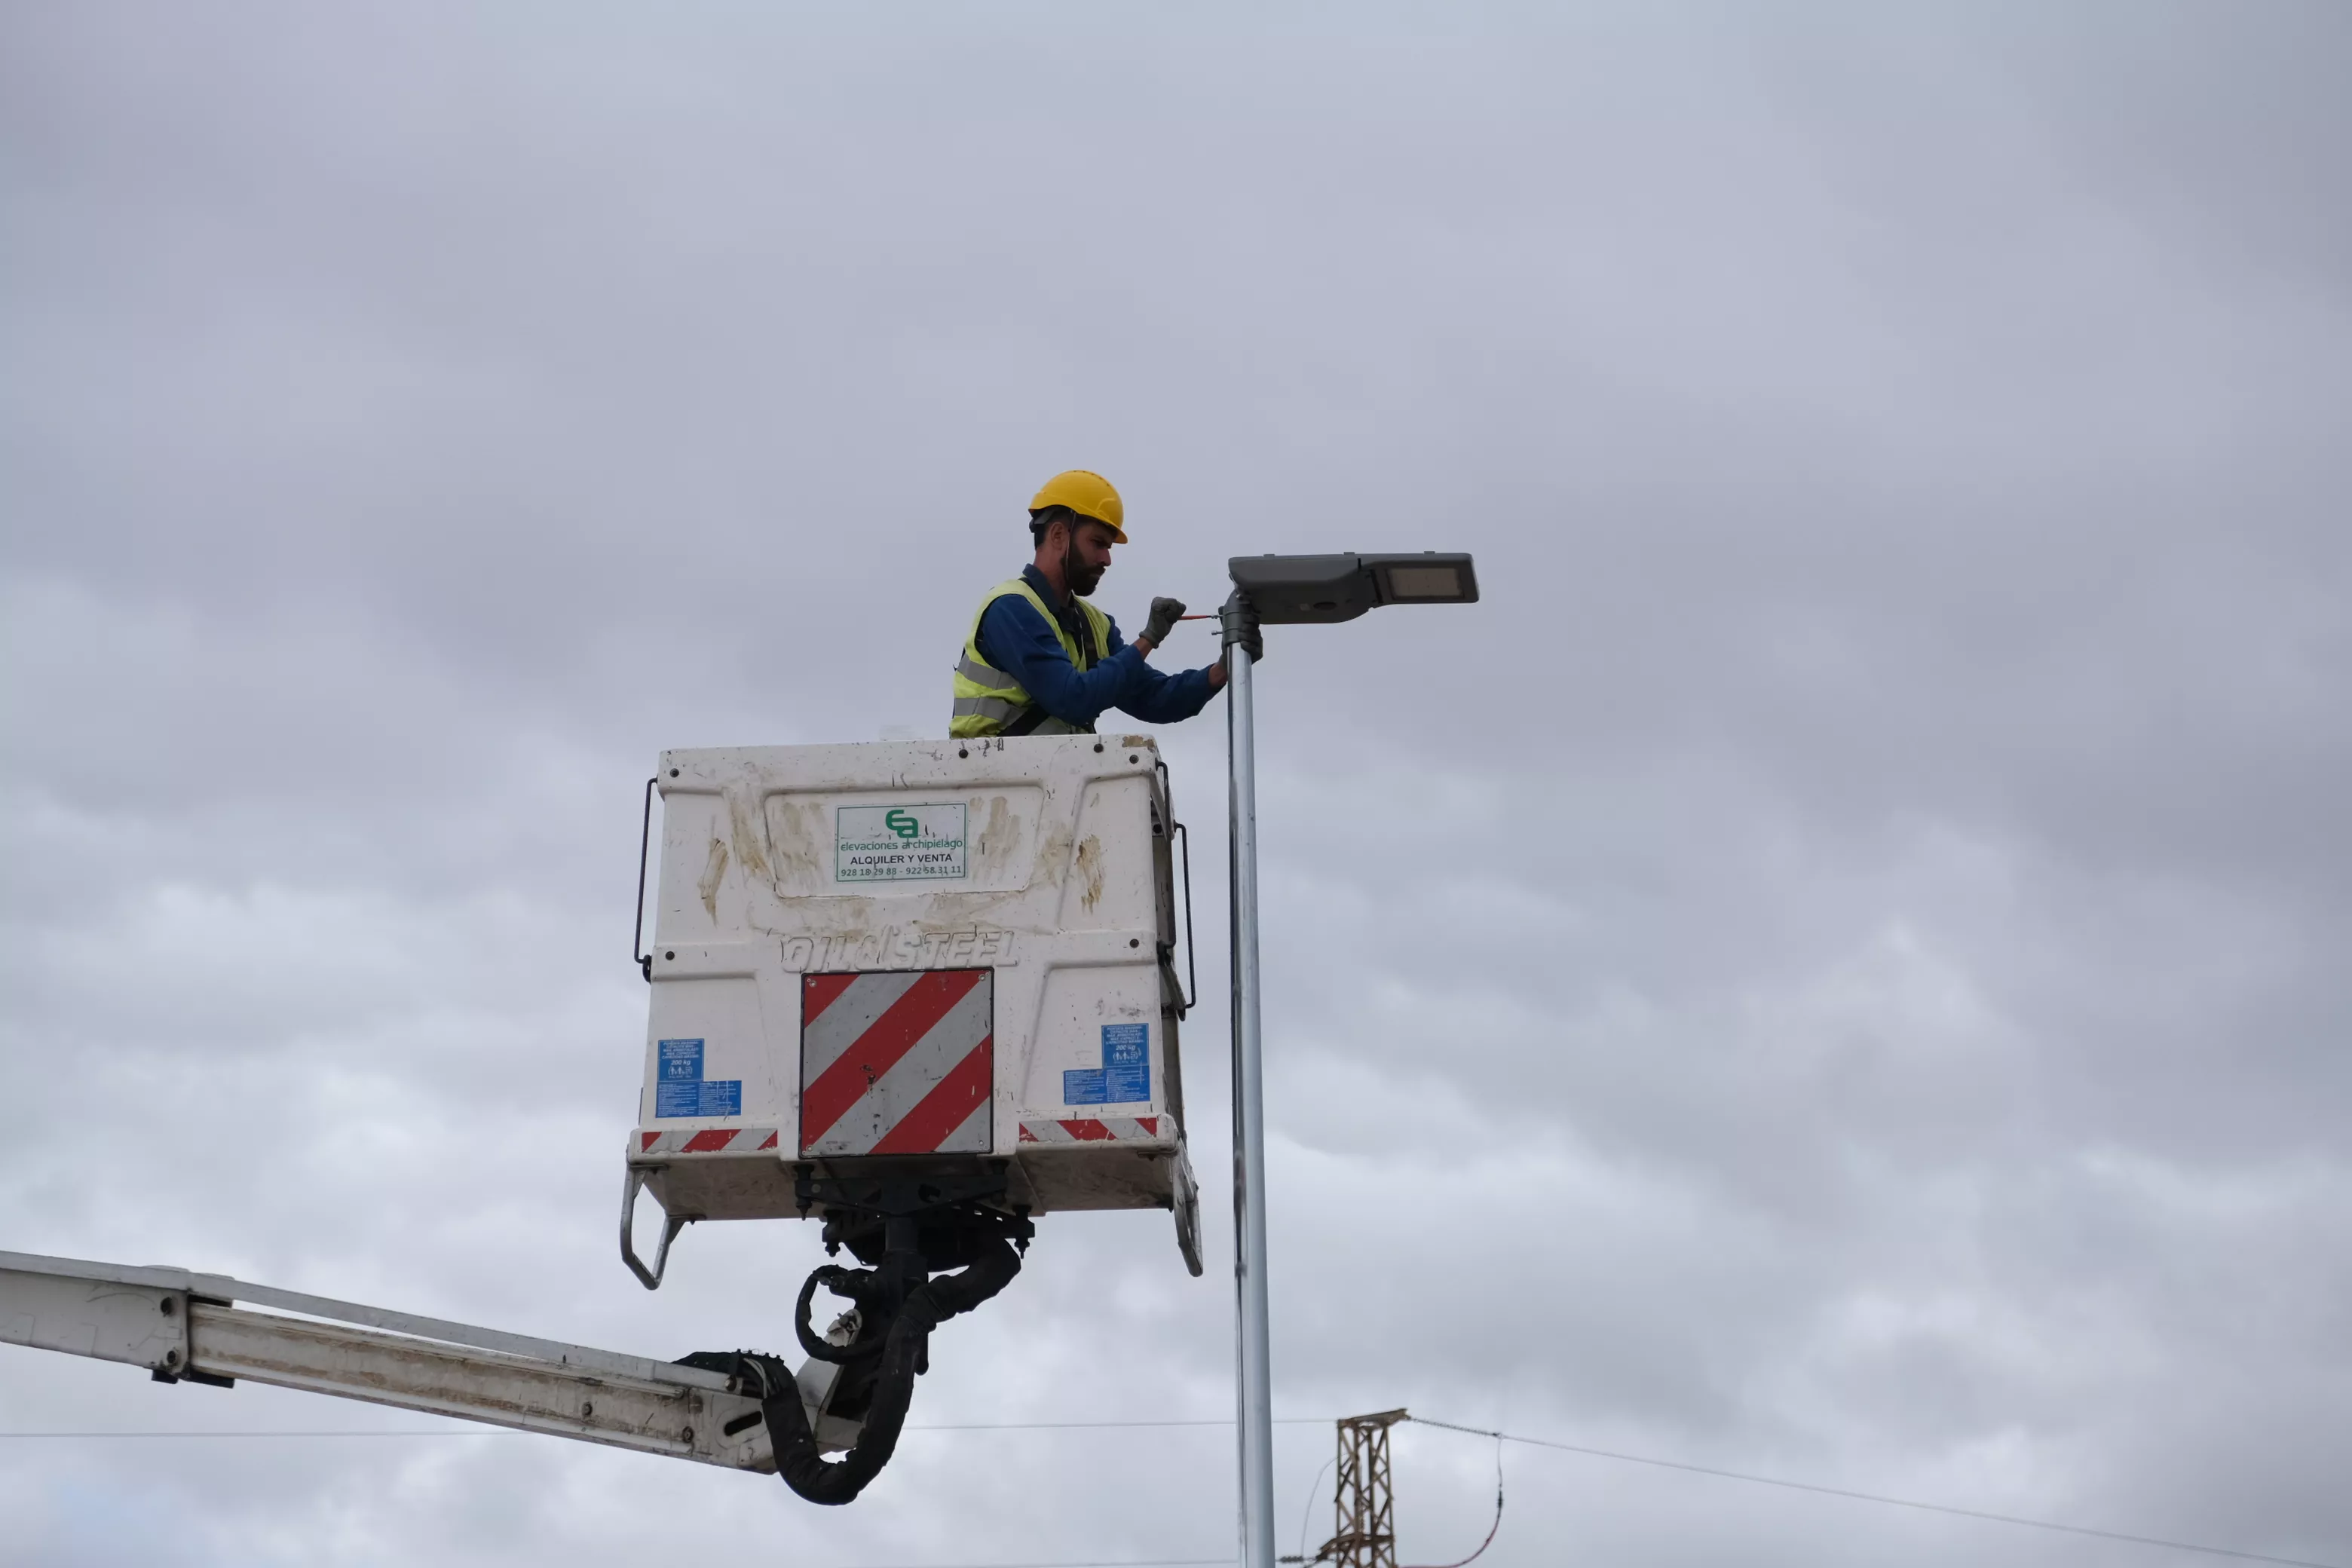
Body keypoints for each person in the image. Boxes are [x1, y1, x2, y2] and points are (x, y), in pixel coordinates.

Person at [950, 470, 1262, 738]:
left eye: (1109, 547)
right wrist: (1149, 639)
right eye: (1098, 543)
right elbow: (1072, 699)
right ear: (1058, 535)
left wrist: (1222, 670)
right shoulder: (1011, 609)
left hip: (1052, 777)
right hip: (991, 779)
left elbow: (1151, 697)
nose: (1107, 559)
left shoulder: (1093, 625)